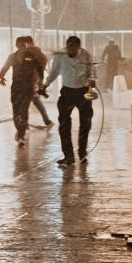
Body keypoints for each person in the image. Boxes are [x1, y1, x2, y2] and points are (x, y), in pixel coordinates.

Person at [44, 35, 94, 165]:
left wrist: (92, 82)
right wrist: (45, 85)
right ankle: (68, 156)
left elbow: (92, 72)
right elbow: (54, 72)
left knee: (85, 124)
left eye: (73, 48)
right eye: (68, 48)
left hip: (83, 92)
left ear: (78, 47)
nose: (70, 51)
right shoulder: (60, 55)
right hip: (67, 92)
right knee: (64, 125)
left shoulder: (86, 55)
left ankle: (82, 153)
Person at [0, 36, 48, 145]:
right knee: (16, 110)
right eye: (20, 44)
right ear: (16, 45)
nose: (23, 46)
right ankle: (19, 129)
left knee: (24, 110)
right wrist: (1, 76)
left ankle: (21, 135)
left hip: (28, 87)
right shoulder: (12, 57)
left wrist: (40, 82)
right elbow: (5, 67)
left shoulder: (32, 56)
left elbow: (40, 68)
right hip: (16, 86)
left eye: (24, 44)